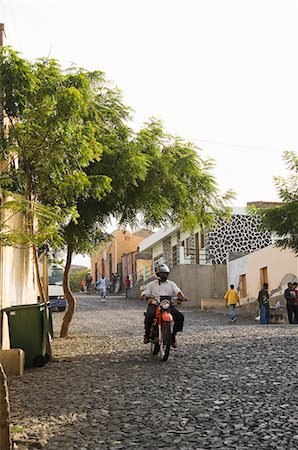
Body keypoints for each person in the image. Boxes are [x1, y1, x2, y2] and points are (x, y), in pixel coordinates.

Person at [141, 263, 189, 348]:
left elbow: (177, 291)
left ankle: (173, 336)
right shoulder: (151, 284)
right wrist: (145, 296)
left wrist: (181, 297)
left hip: (167, 305)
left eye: (166, 273)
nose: (165, 275)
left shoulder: (171, 283)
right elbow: (145, 292)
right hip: (155, 305)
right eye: (162, 273)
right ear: (157, 274)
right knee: (149, 315)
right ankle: (147, 334)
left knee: (180, 317)